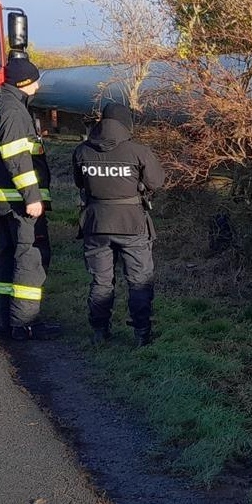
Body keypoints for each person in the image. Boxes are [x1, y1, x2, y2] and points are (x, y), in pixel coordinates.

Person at [73, 102, 165, 345]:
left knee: (101, 281)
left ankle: (99, 331)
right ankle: (141, 333)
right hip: (132, 225)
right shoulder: (138, 151)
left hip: (95, 224)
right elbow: (157, 182)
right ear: (126, 124)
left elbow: (80, 184)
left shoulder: (82, 151)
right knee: (139, 280)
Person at [0, 55, 60, 340]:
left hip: (2, 199)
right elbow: (17, 159)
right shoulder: (13, 111)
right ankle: (25, 324)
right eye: (35, 81)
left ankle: (9, 319)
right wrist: (32, 197)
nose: (38, 87)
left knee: (9, 256)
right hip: (18, 202)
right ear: (25, 82)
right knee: (29, 260)